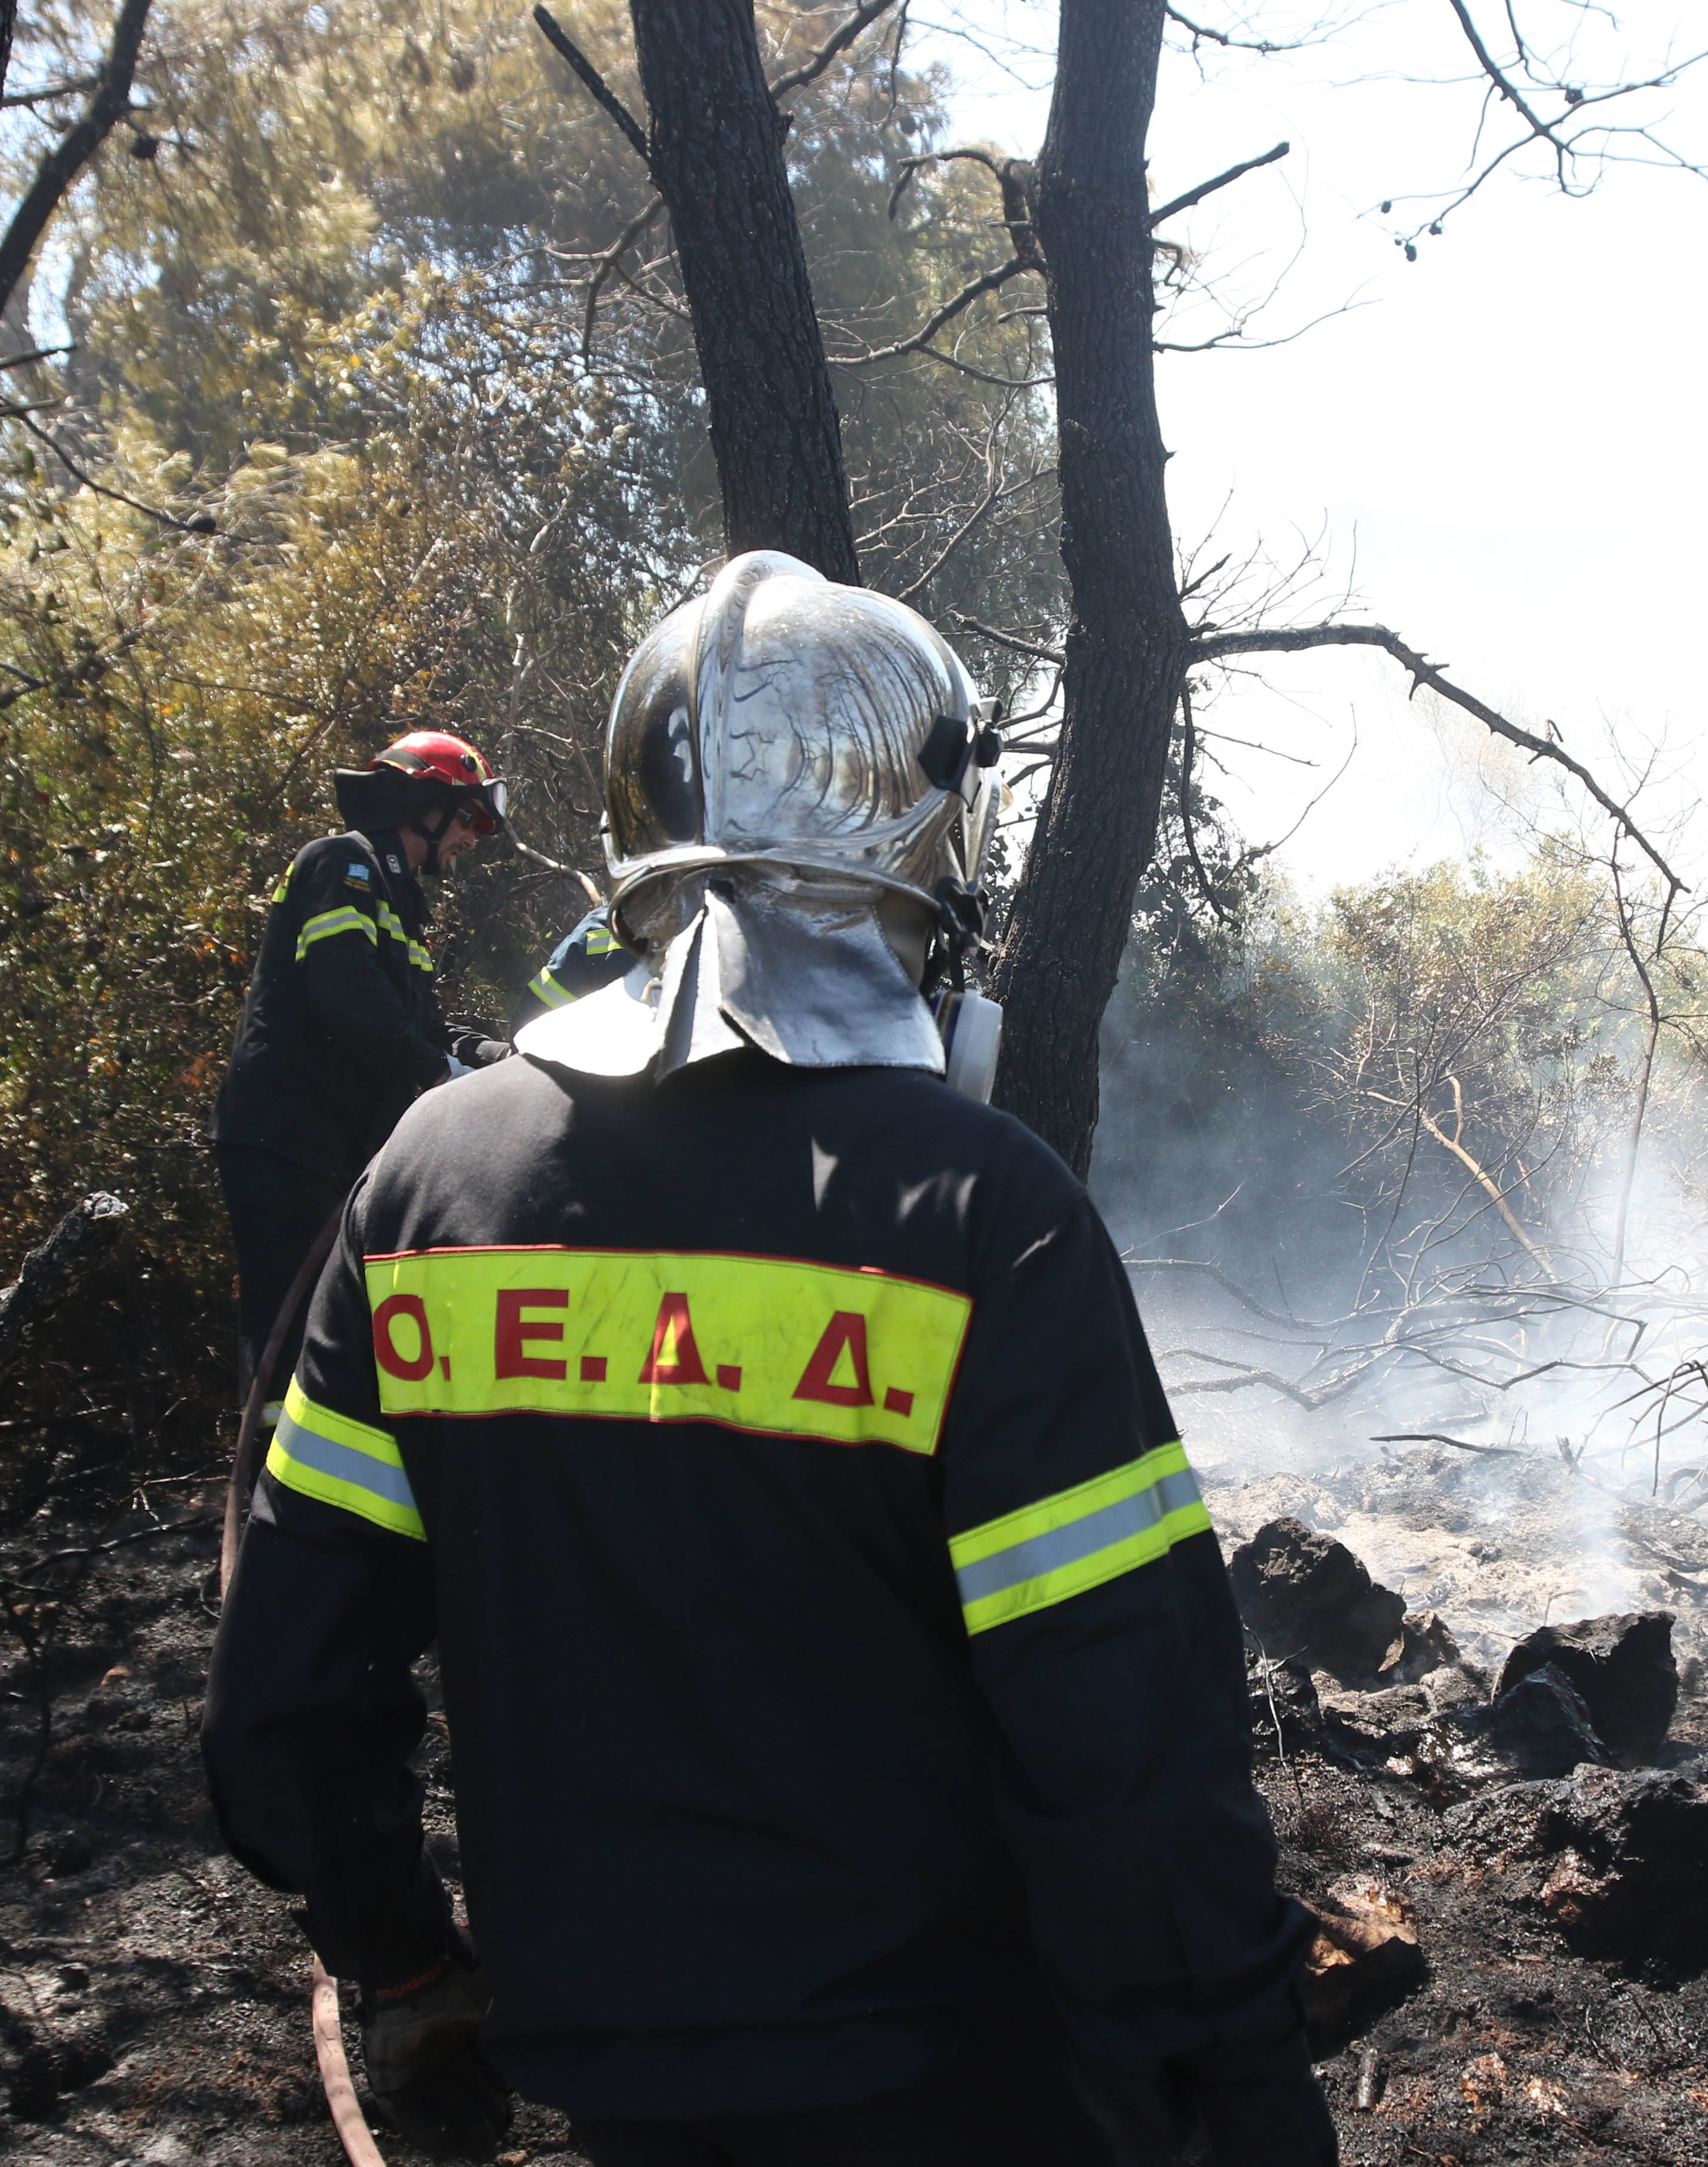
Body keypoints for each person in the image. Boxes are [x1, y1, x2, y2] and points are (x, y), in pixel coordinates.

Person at [202, 554, 1333, 2166]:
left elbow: (285, 1707)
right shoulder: (978, 1208)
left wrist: (401, 1959)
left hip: (608, 2084)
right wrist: (1230, 2082)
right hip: (949, 2090)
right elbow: (1128, 1748)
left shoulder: (429, 1185)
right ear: (921, 846)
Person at [210, 729, 513, 1402]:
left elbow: (422, 1026)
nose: (471, 838)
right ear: (421, 802)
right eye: (468, 818)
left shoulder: (400, 902)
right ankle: (265, 1481)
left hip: (338, 1139)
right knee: (288, 1315)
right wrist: (438, 1072)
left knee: (343, 1311)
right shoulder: (340, 864)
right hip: (284, 1136)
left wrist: (499, 1059)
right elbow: (346, 996)